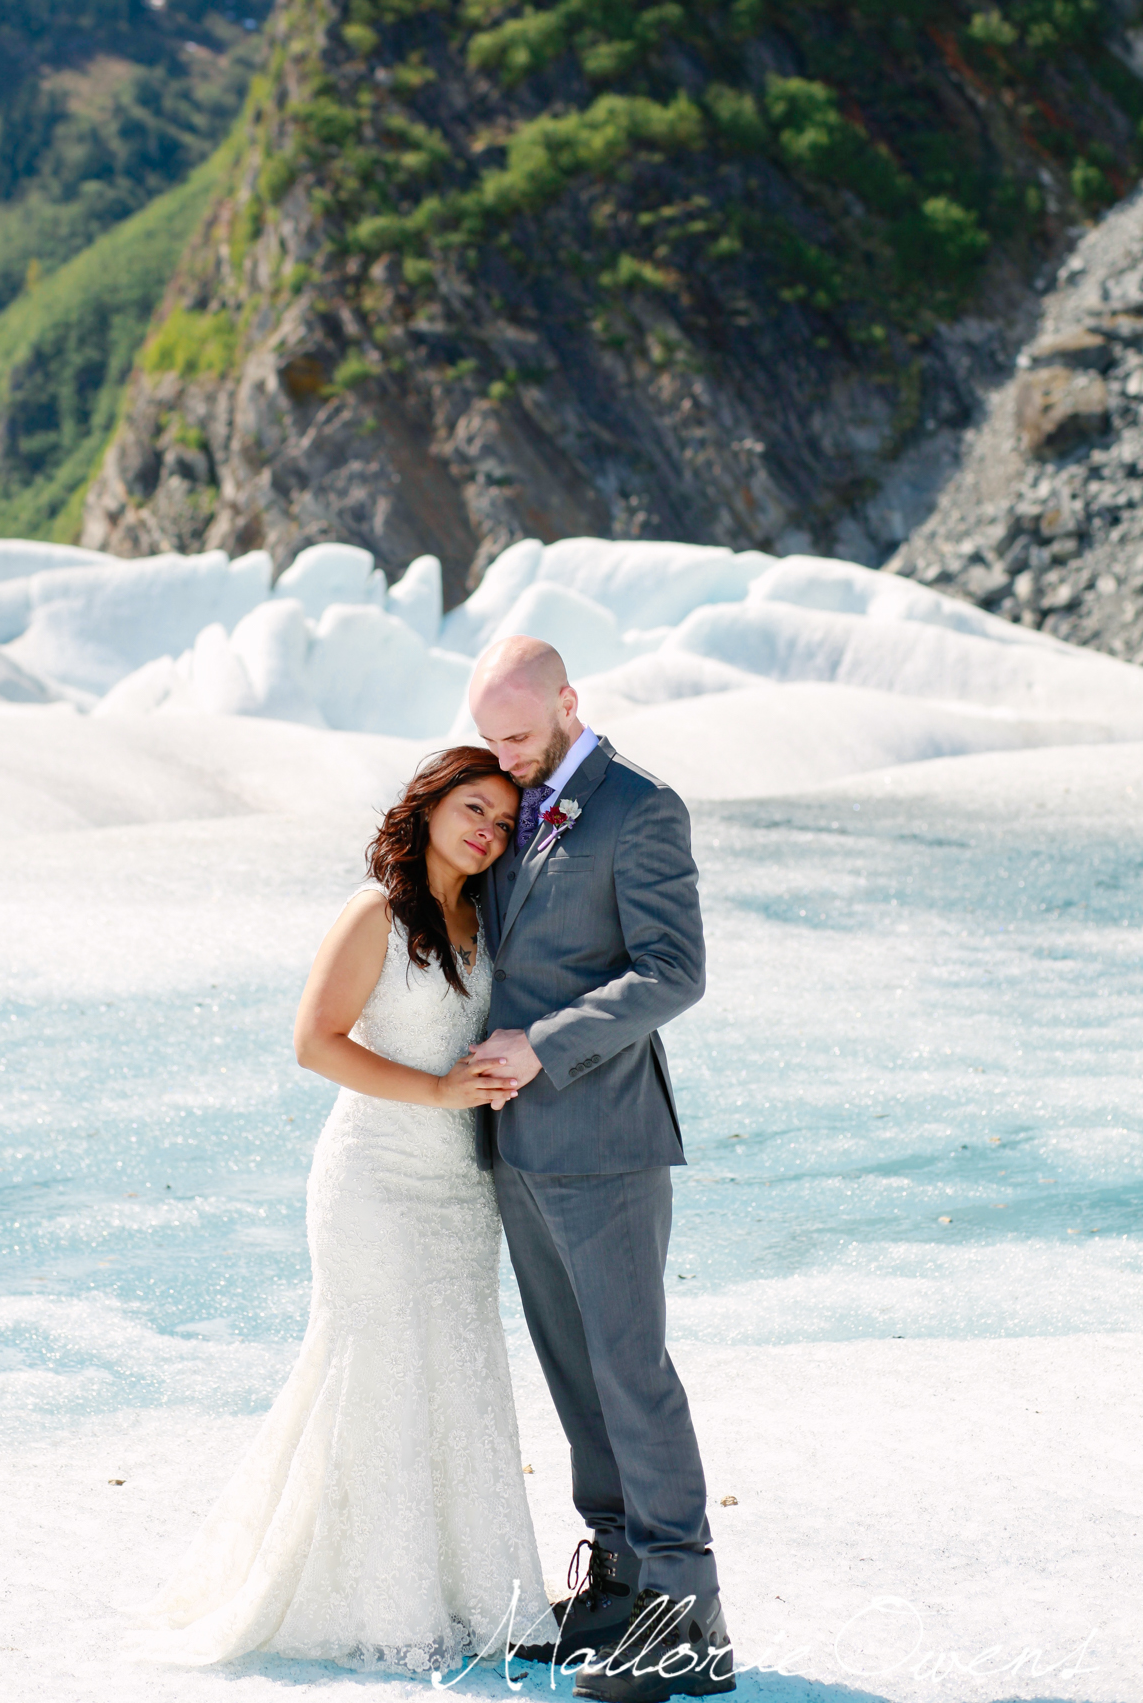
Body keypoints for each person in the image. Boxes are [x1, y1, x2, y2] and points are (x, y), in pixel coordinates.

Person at [126, 746, 552, 1674]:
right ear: (430, 805)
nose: (487, 831)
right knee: (378, 1376)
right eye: (473, 807)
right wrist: (438, 1095)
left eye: (504, 823)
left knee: (458, 1376)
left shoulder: (486, 915)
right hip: (375, 1181)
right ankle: (383, 1605)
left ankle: (480, 1596)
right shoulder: (377, 914)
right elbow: (313, 1043)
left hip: (461, 1189)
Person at [465, 635, 736, 1702]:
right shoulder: (508, 795)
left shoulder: (639, 807)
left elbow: (674, 971)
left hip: (608, 1137)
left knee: (632, 1372)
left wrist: (546, 1042)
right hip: (518, 1142)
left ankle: (686, 1621)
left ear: (569, 702)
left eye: (519, 734)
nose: (504, 755)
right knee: (575, 1374)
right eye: (489, 737)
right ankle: (618, 1578)